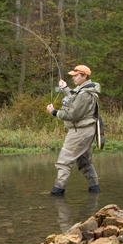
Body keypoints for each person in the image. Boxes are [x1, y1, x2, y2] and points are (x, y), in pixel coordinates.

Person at [46, 64, 100, 196]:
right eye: (73, 76)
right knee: (85, 163)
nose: (74, 78)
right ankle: (95, 191)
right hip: (85, 131)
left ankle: (57, 193)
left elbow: (72, 114)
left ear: (84, 76)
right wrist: (65, 88)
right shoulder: (85, 90)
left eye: (76, 76)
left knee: (63, 162)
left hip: (79, 133)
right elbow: (73, 97)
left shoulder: (85, 93)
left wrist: (54, 112)